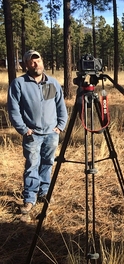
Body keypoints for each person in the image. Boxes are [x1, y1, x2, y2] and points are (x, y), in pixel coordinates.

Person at [7, 50, 68, 214]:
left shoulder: (51, 83)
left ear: (42, 62)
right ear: (25, 64)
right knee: (32, 165)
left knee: (48, 163)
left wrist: (60, 126)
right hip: (32, 134)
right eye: (31, 61)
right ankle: (30, 198)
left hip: (51, 133)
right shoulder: (19, 84)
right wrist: (23, 129)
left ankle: (44, 192)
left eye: (38, 60)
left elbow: (59, 106)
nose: (36, 64)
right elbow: (13, 110)